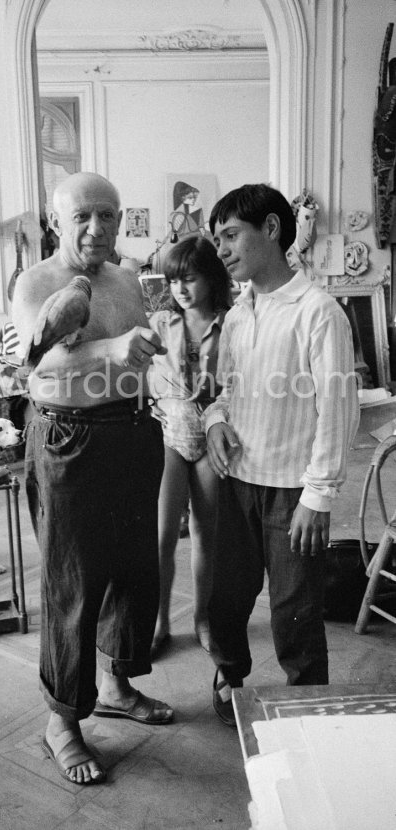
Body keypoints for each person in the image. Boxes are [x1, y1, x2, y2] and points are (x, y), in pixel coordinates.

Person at [12, 171, 173, 786]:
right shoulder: (35, 282)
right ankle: (62, 722)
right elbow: (40, 360)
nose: (97, 227)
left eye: (107, 214)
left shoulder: (129, 280)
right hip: (69, 439)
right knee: (73, 581)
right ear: (58, 221)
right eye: (83, 216)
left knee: (133, 570)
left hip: (133, 431)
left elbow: (136, 344)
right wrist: (111, 350)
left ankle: (116, 684)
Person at [204, 183, 359, 726]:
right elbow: (225, 391)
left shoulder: (318, 312)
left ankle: (306, 700)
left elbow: (338, 409)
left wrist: (317, 497)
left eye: (230, 235)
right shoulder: (239, 313)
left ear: (271, 228)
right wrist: (217, 421)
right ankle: (229, 673)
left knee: (295, 610)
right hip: (237, 483)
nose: (221, 249)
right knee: (225, 598)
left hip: (292, 490)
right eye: (216, 238)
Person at [147, 236, 231, 659]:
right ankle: (160, 619)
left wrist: (219, 387)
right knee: (162, 534)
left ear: (211, 278)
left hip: (211, 433)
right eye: (174, 280)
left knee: (205, 534)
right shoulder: (161, 322)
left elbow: (241, 378)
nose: (180, 288)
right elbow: (134, 366)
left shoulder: (231, 323)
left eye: (190, 279)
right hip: (169, 433)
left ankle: (203, 619)